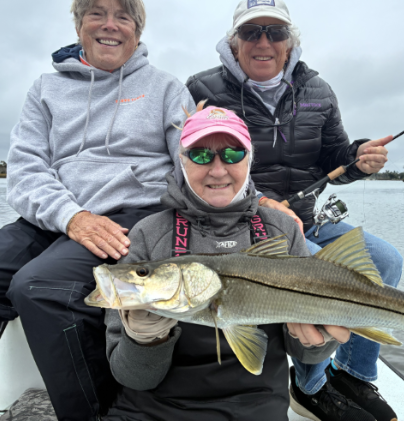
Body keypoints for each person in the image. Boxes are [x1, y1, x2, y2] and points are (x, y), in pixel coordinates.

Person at [0, 0, 194, 421]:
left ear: (138, 31)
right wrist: (71, 216)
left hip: (129, 218)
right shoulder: (46, 88)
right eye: (96, 14)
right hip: (55, 217)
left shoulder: (166, 88)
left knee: (39, 288)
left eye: (122, 16)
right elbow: (24, 172)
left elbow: (194, 160)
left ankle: (100, 414)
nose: (109, 25)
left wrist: (253, 203)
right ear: (79, 25)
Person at [186, 0, 403, 421]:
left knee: (386, 260)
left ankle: (355, 374)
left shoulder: (318, 89)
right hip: (250, 227)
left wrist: (361, 158)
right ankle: (308, 386)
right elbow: (196, 160)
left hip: (308, 218)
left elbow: (335, 157)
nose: (263, 41)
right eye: (251, 32)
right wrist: (261, 202)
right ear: (234, 43)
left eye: (275, 31)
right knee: (325, 277)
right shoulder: (201, 88)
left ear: (290, 41)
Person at [103, 104, 366, 421]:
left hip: (255, 405)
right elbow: (133, 378)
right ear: (181, 161)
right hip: (154, 408)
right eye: (200, 155)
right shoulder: (148, 234)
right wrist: (145, 338)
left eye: (232, 154)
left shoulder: (280, 230)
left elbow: (301, 351)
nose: (217, 169)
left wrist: (319, 341)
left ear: (250, 159)